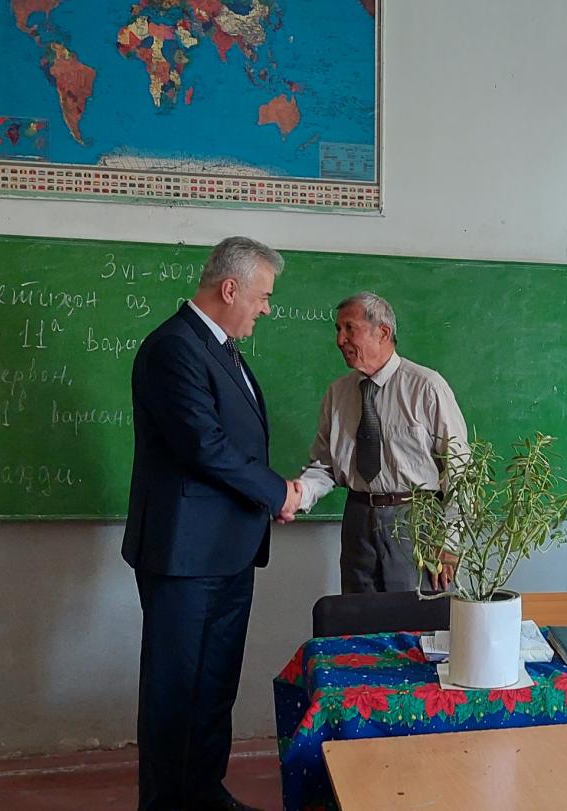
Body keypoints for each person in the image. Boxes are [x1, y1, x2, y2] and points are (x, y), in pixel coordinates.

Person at [122, 236, 300, 811]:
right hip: (185, 557)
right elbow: (205, 445)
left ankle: (203, 793)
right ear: (230, 289)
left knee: (214, 685)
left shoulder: (221, 349)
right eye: (262, 296)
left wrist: (272, 495)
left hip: (227, 552)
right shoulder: (173, 348)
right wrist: (277, 492)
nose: (266, 309)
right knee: (176, 691)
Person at [288, 291, 467, 593]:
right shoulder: (338, 394)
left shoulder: (426, 387)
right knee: (358, 614)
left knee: (414, 615)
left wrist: (450, 542)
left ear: (382, 332)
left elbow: (460, 470)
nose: (340, 340)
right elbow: (325, 465)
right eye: (338, 329)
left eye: (350, 328)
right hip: (357, 520)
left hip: (415, 522)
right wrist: (297, 495)